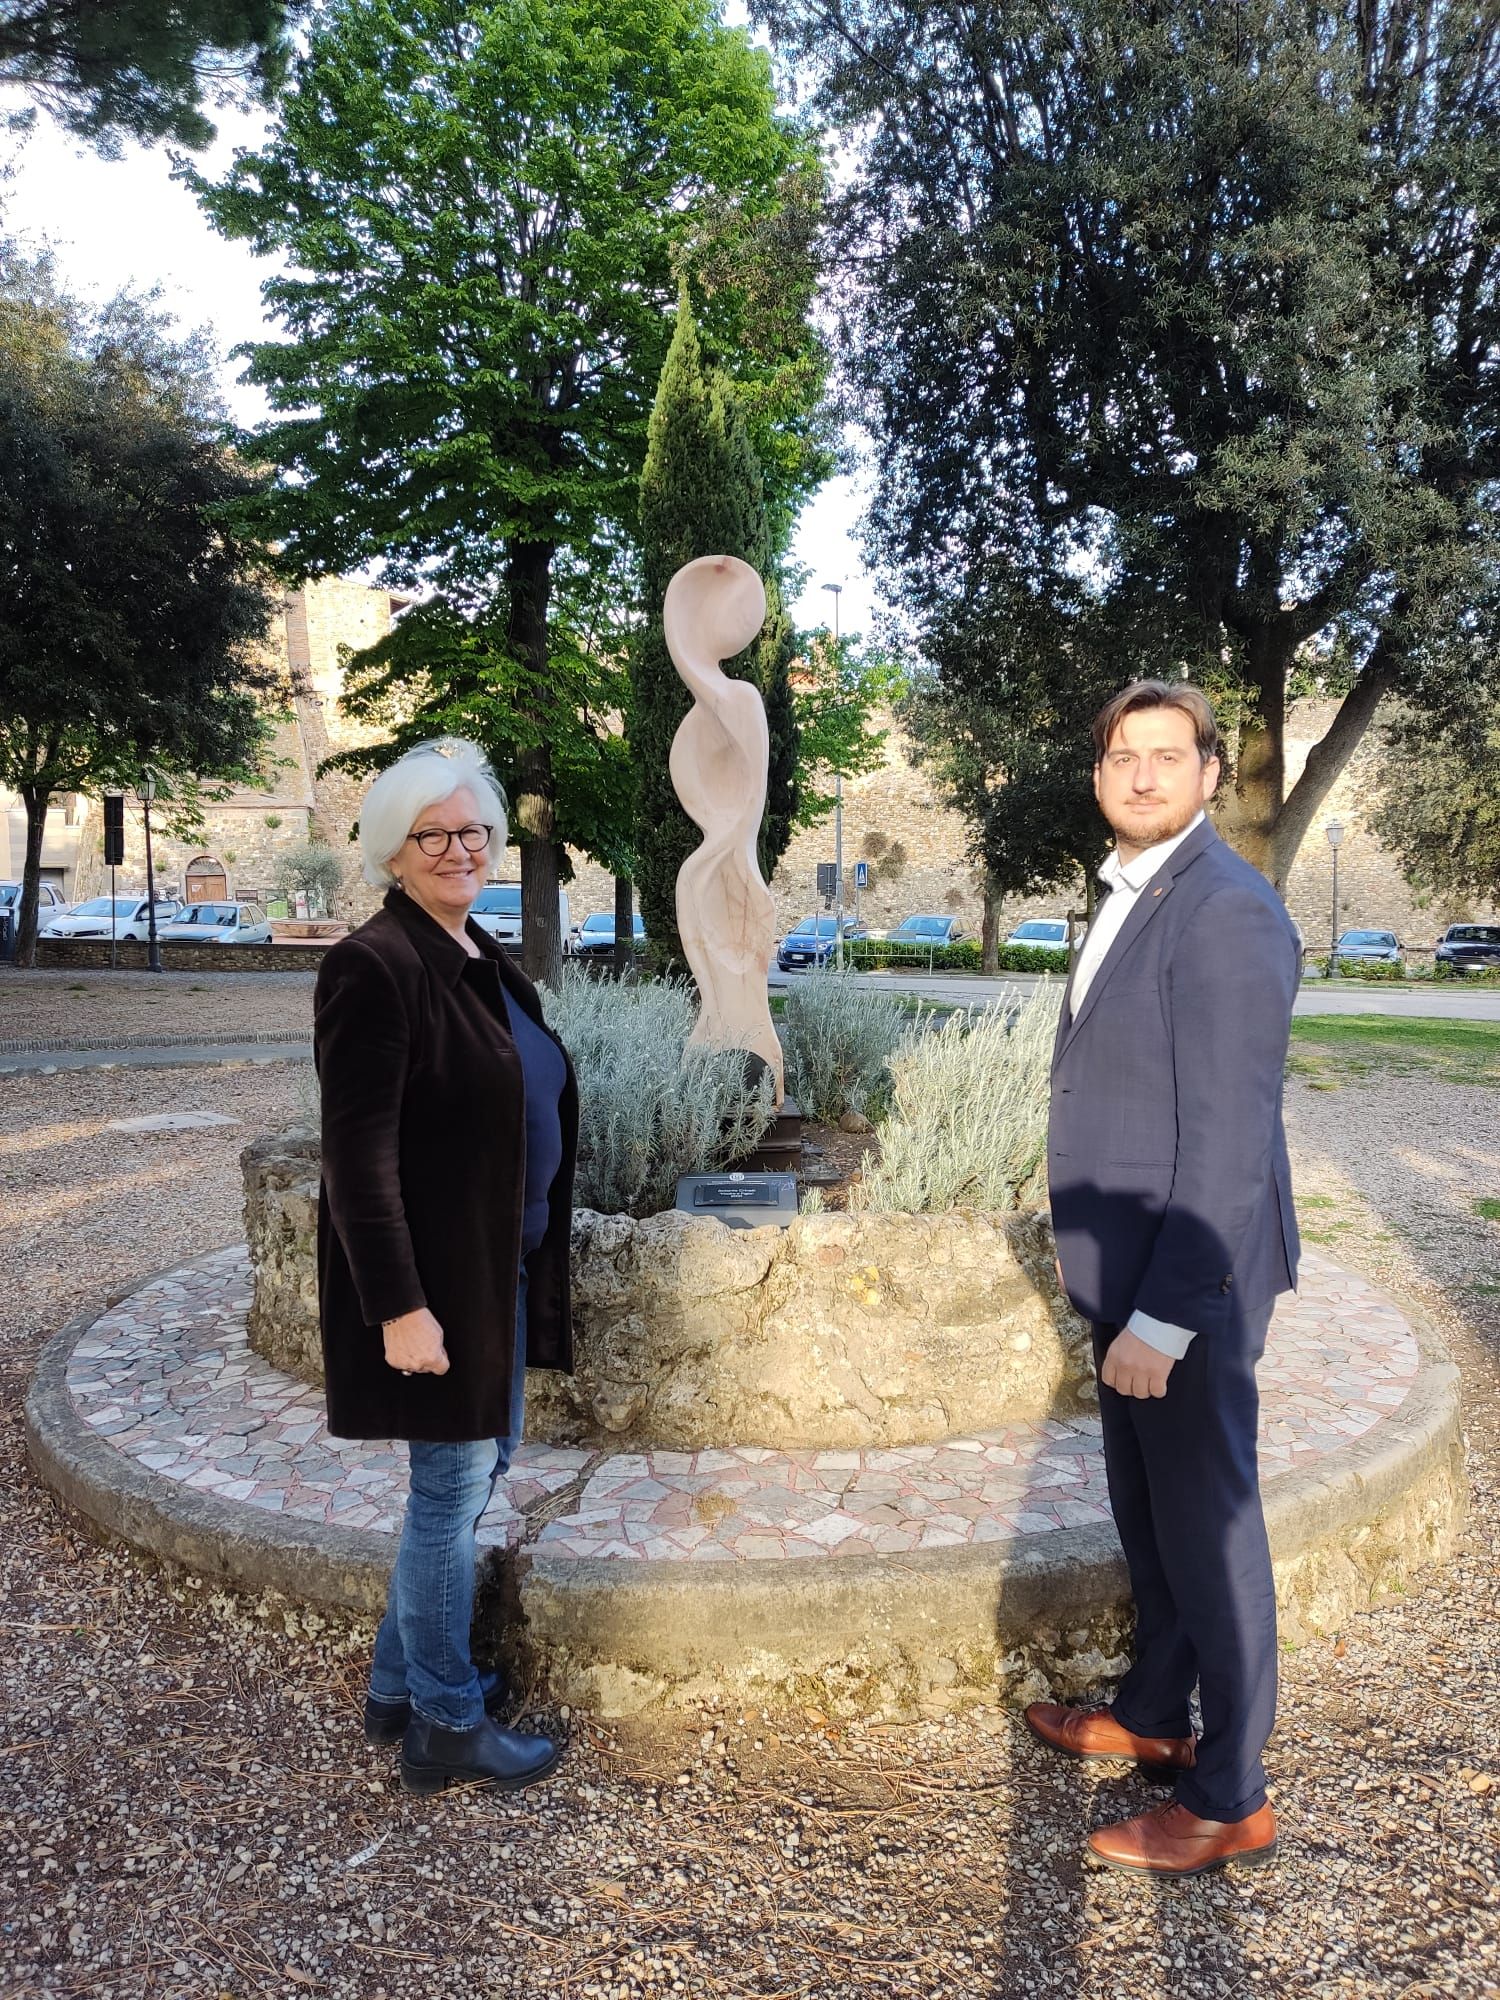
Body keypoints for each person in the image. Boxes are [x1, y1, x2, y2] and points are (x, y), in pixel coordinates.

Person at [1028, 680, 1300, 1878]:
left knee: (1210, 1524)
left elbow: (1231, 1141)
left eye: (1165, 756)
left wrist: (1167, 1312)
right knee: (1151, 1514)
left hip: (1188, 1288)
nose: (1140, 775)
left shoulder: (1226, 911)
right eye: (1120, 756)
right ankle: (1151, 1705)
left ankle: (1231, 1788)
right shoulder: (1137, 891)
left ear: (1208, 773)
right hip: (1126, 1269)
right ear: (1100, 777)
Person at [314, 738, 578, 1795]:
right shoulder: (374, 965)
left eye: (475, 832)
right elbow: (355, 1159)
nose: (460, 849)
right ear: (392, 851)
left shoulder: (477, 952)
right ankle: (444, 1721)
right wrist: (401, 1308)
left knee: (464, 1484)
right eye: (435, 834)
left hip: (491, 1273)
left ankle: (395, 1685)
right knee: (450, 1493)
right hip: (437, 1289)